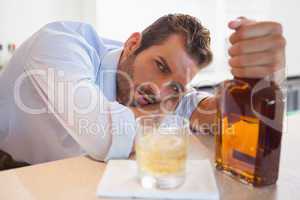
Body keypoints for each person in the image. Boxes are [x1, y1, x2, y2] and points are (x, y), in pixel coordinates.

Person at [0, 14, 286, 169]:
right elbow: (104, 136)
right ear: (133, 43)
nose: (161, 91)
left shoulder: (166, 96)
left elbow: (216, 116)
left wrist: (261, 83)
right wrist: (172, 114)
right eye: (160, 65)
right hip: (13, 170)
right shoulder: (61, 43)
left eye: (176, 85)